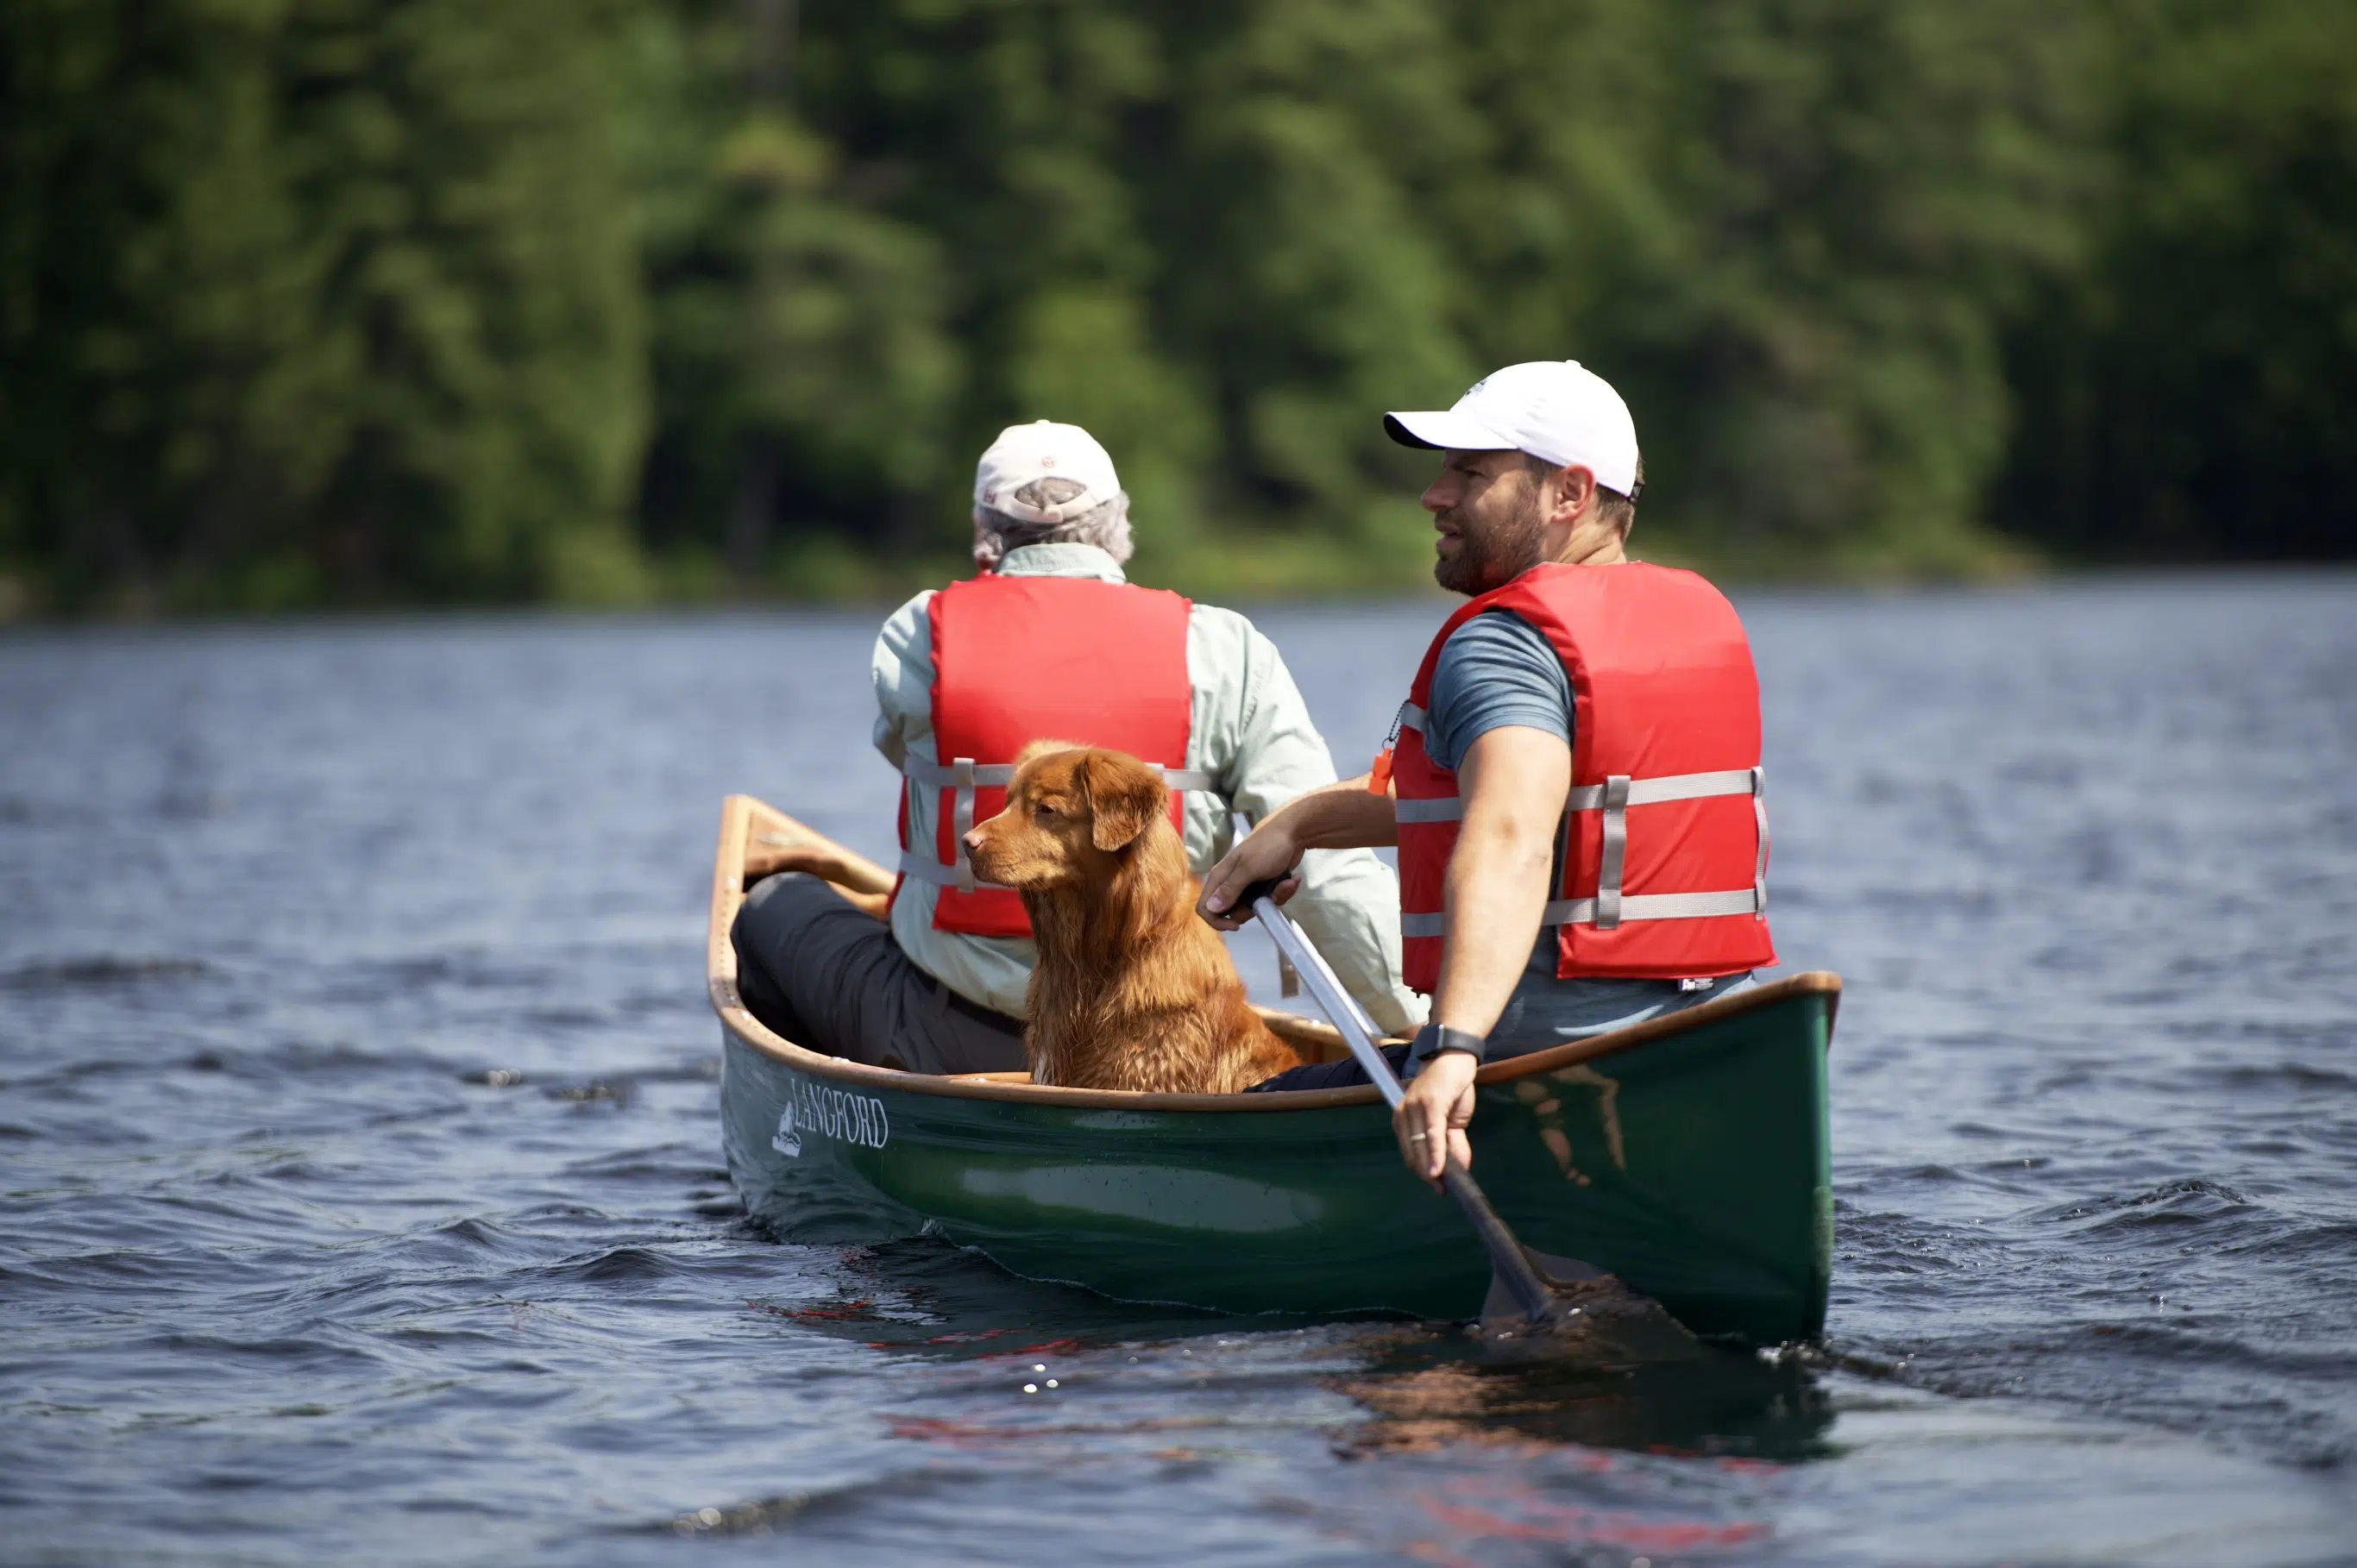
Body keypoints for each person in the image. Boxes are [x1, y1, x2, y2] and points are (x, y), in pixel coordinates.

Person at [1201, 361, 1776, 1182]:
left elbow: (1508, 834)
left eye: (1469, 473)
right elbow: (1503, 802)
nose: (1433, 496)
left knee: (1242, 1124)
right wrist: (1303, 824)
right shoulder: (1693, 621)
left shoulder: (1503, 642)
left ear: (1568, 495)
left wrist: (1452, 1050)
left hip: (1527, 1070)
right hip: (1686, 1048)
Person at [732, 419, 1425, 1075]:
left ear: (984, 538)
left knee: (771, 903)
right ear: (1118, 532)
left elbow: (900, 754)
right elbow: (1328, 867)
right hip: (1163, 1035)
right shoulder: (1223, 647)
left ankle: (847, 1114)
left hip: (957, 1037)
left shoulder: (920, 633)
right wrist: (1418, 1022)